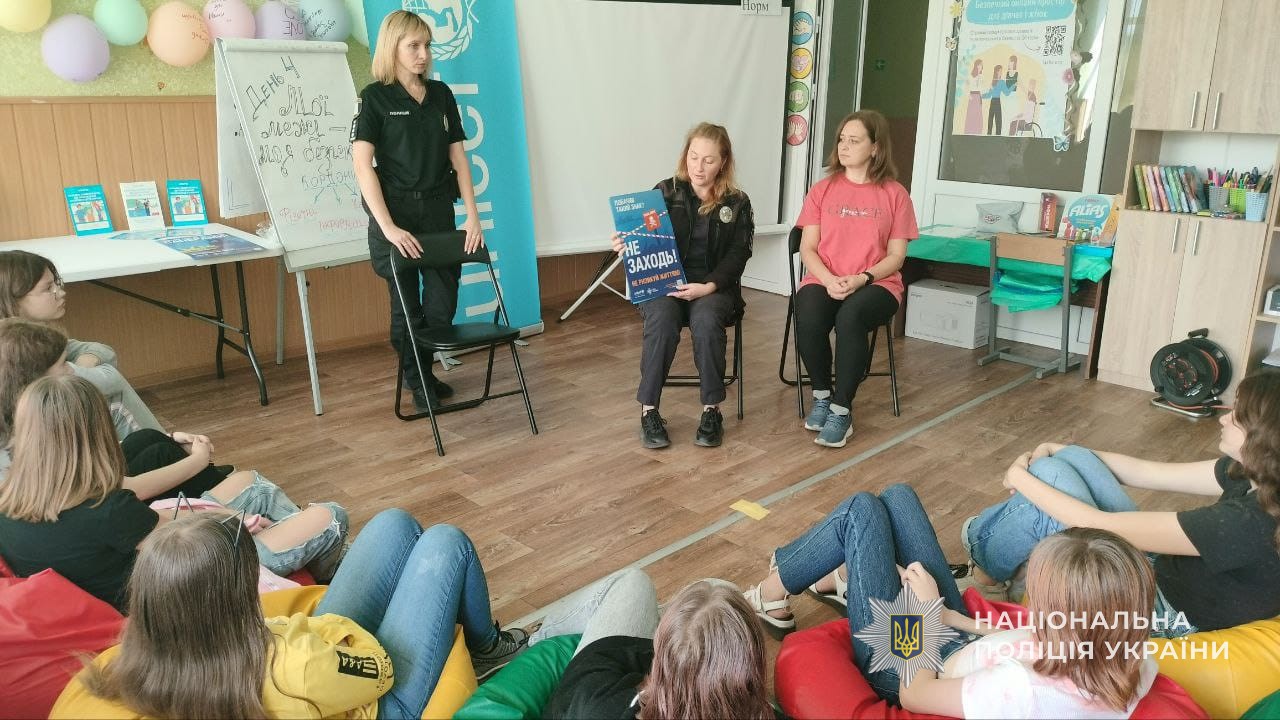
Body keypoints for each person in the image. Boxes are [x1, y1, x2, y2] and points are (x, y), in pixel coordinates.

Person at [52, 509, 530, 718]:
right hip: (375, 698)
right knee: (445, 543)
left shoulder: (122, 667)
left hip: (295, 669)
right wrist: (321, 630)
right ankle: (488, 650)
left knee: (394, 525)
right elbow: (379, 668)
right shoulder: (295, 663)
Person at [743, 486, 1160, 717]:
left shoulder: (1021, 692)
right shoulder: (1128, 654)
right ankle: (829, 578)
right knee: (899, 497)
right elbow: (1034, 636)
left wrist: (923, 615)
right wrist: (954, 619)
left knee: (860, 511)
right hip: (958, 640)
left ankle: (771, 593)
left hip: (906, 667)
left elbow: (915, 695)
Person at [961, 371, 1280, 635]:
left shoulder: (1250, 522)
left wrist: (1018, 477)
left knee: (1047, 480)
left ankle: (982, 554)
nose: (1224, 419)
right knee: (1068, 461)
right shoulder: (1257, 476)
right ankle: (991, 554)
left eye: (1238, 417)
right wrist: (1056, 448)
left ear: (1264, 437)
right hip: (1164, 574)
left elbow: (1095, 525)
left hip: (1158, 611)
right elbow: (1150, 473)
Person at [0, 375, 348, 611]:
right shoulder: (105, 509)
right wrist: (240, 521)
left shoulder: (13, 498)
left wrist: (233, 516)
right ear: (96, 434)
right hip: (183, 590)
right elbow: (190, 535)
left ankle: (308, 555)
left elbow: (159, 520)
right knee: (330, 516)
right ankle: (328, 573)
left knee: (250, 482)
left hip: (151, 566)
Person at [352, 9, 485, 412]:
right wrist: (388, 227)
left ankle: (423, 372)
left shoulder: (441, 95)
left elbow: (459, 159)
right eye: (413, 46)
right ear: (392, 48)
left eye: (427, 45)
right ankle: (420, 382)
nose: (423, 54)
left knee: (441, 306)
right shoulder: (374, 98)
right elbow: (362, 166)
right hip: (397, 218)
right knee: (406, 308)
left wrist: (473, 216)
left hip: (438, 212)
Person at [609, 123, 754, 449]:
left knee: (706, 319)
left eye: (708, 160)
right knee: (661, 319)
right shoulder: (664, 192)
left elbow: (739, 253)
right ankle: (649, 411)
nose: (698, 167)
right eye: (693, 157)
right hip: (666, 284)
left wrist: (709, 286)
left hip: (713, 287)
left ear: (723, 162)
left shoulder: (737, 202)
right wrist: (626, 243)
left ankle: (712, 410)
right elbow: (644, 239)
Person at [0, 318, 245, 503]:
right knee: (163, 454)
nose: (72, 370)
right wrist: (197, 461)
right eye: (64, 365)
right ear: (33, 378)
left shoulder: (27, 419)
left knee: (149, 439)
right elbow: (126, 488)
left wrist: (170, 437)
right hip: (87, 517)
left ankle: (227, 495)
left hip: (84, 499)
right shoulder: (29, 440)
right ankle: (234, 502)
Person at [793, 110, 917, 448]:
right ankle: (822, 394)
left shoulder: (895, 194)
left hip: (877, 283)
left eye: (854, 140)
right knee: (808, 312)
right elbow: (807, 248)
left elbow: (896, 257)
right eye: (841, 140)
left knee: (850, 317)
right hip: (825, 277)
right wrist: (828, 279)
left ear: (875, 147)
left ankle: (841, 409)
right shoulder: (823, 189)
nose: (844, 146)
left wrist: (862, 278)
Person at [539, 569, 772, 719]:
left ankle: (534, 639)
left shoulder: (600, 703)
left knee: (634, 581)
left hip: (601, 678)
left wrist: (673, 652)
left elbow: (595, 660)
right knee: (718, 600)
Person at [0, 250, 163, 435]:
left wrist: (81, 363)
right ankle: (168, 448)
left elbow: (103, 351)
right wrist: (73, 370)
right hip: (29, 437)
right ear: (12, 298)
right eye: (48, 288)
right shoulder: (17, 349)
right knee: (113, 401)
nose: (61, 292)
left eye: (56, 284)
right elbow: (112, 380)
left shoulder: (28, 336)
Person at [983, 64, 1015, 136]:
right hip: (996, 102)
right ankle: (996, 136)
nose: (1001, 72)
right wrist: (1013, 86)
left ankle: (989, 135)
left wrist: (981, 96)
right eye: (1000, 71)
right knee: (997, 122)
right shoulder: (1000, 82)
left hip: (993, 102)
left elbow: (989, 95)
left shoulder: (995, 82)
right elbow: (1007, 93)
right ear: (997, 72)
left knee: (991, 121)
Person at [964, 59, 985, 135]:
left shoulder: (982, 76)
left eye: (981, 65)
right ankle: (969, 132)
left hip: (978, 97)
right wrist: (969, 96)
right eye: (979, 65)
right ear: (976, 66)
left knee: (978, 116)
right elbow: (966, 87)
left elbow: (982, 88)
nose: (980, 66)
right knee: (971, 115)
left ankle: (977, 133)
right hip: (972, 97)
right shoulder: (970, 76)